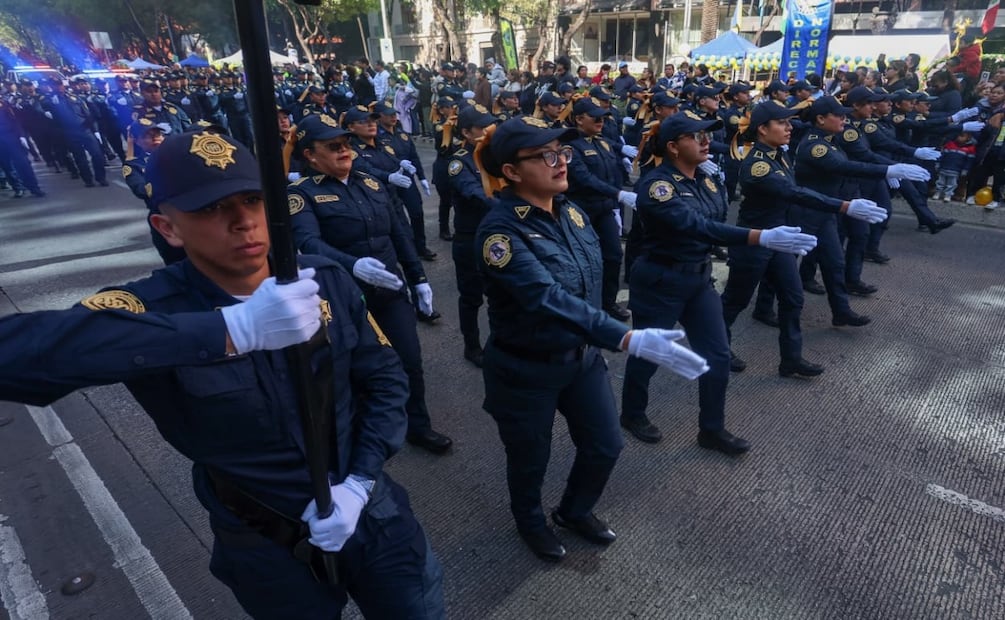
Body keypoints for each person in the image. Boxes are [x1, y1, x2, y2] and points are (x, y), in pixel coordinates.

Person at [0, 130, 445, 619]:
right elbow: (17, 355)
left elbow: (384, 380)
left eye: (253, 199)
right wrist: (226, 330)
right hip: (265, 540)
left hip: (371, 512)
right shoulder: (151, 310)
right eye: (211, 209)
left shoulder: (323, 280)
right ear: (167, 228)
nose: (243, 222)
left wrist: (360, 480)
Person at [473, 116, 710, 563]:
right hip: (527, 369)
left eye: (561, 152)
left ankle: (573, 510)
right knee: (530, 458)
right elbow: (546, 297)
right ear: (511, 172)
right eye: (546, 156)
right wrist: (626, 338)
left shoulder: (574, 211)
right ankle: (530, 522)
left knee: (605, 444)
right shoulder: (500, 234)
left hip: (580, 359)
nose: (561, 162)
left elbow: (596, 282)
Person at [619, 112, 817, 446]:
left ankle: (711, 429)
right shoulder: (656, 185)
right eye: (695, 136)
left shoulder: (707, 179)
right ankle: (632, 412)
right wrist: (760, 237)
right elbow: (697, 225)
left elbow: (717, 221)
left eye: (707, 135)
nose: (706, 140)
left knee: (718, 355)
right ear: (672, 147)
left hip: (698, 278)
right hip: (661, 281)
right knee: (651, 354)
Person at [288, 113, 453, 455]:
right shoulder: (301, 195)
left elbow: (399, 233)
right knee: (354, 370)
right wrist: (353, 265)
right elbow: (309, 244)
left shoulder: (372, 183)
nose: (344, 151)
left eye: (346, 144)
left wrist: (419, 278)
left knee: (409, 360)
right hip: (343, 297)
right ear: (310, 155)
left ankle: (417, 425)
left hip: (390, 290)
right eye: (333, 146)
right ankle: (362, 437)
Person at [720, 102, 888, 376]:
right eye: (782, 123)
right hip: (756, 242)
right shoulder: (758, 165)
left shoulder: (778, 154)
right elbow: (794, 192)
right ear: (762, 129)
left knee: (793, 297)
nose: (790, 128)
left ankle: (791, 359)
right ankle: (718, 349)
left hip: (781, 240)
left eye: (789, 123)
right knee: (733, 302)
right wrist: (843, 206)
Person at [564, 96, 635, 321]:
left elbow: (612, 175)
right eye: (595, 118)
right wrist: (619, 194)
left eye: (602, 118)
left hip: (604, 209)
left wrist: (615, 206)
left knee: (613, 256)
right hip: (580, 211)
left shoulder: (601, 141)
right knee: (582, 261)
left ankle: (608, 303)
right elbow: (584, 179)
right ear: (578, 119)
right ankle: (580, 305)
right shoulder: (570, 146)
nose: (600, 122)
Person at [446, 105, 499, 367]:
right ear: (467, 133)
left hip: (498, 235)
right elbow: (472, 192)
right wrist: (505, 207)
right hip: (471, 238)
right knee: (471, 297)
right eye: (483, 127)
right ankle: (472, 345)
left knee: (500, 294)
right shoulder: (459, 162)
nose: (490, 130)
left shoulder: (494, 155)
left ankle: (500, 343)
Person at [937, 130, 977, 202]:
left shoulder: (970, 149)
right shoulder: (950, 144)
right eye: (958, 135)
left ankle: (949, 194)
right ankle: (938, 192)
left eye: (962, 136)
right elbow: (943, 155)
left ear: (968, 138)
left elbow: (969, 161)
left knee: (952, 183)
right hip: (944, 168)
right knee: (940, 181)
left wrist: (965, 170)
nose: (959, 138)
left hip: (956, 170)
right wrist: (938, 163)